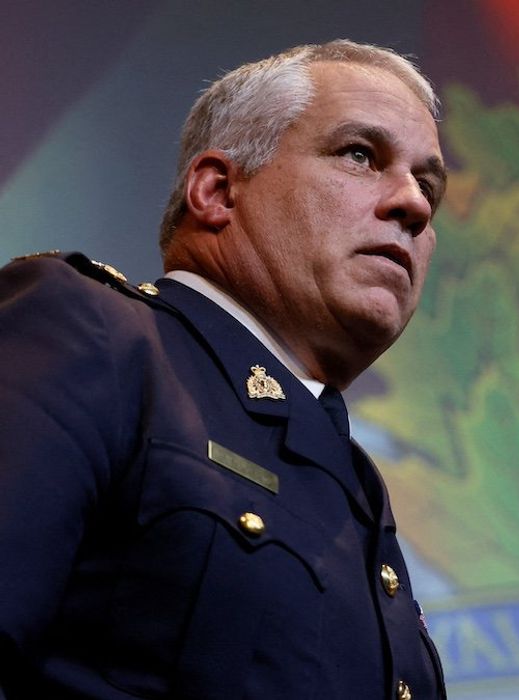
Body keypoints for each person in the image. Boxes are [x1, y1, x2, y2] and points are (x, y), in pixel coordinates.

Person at [0, 39, 448, 699]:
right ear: (216, 190)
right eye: (360, 154)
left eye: (428, 183)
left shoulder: (353, 483)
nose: (413, 203)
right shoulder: (96, 335)